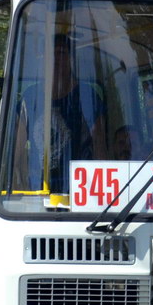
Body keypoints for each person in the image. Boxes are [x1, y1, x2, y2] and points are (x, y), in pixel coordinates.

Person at [20, 34, 105, 194]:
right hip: (37, 191)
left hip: (80, 191)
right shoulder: (30, 97)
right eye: (51, 55)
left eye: (61, 53)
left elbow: (99, 148)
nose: (56, 60)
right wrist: (21, 187)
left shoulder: (87, 95)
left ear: (71, 59)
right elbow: (16, 150)